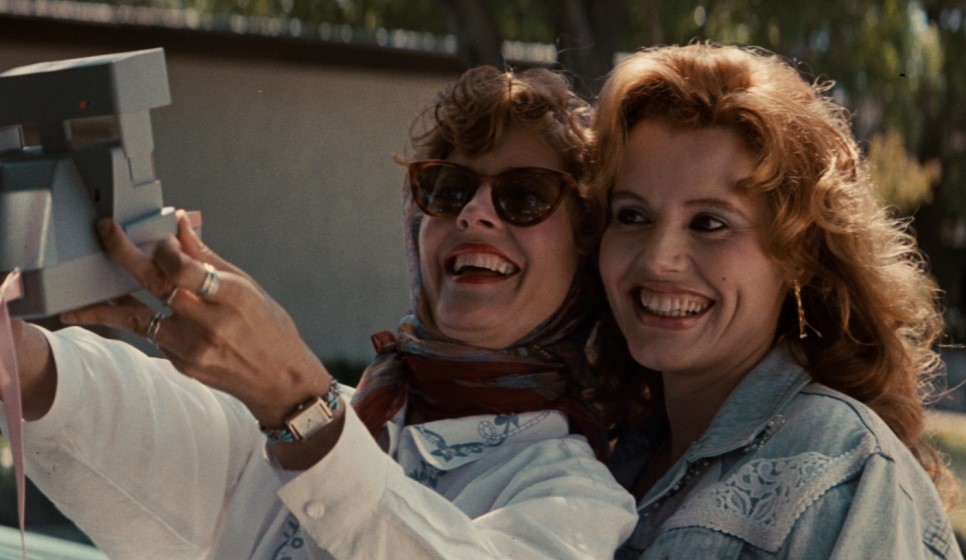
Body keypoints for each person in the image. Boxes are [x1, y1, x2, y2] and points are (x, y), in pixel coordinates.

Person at [1, 65, 637, 559]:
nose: (474, 213)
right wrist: (16, 351)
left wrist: (299, 403)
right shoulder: (348, 420)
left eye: (525, 196)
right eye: (449, 189)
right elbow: (134, 415)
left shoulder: (575, 496)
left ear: (587, 251)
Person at [588, 43, 963, 559]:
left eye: (710, 223)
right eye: (632, 215)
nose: (658, 259)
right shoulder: (611, 455)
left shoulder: (843, 473)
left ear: (798, 254)